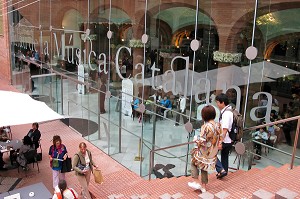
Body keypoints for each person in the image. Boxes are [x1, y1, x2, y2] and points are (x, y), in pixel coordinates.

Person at [188, 105, 223, 192]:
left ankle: (196, 182)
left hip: (204, 151)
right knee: (204, 167)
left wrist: (196, 139)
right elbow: (220, 137)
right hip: (213, 152)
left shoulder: (205, 126)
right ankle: (204, 187)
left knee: (193, 162)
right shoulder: (218, 125)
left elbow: (202, 140)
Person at [215, 93, 233, 179]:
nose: (217, 104)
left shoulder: (226, 114)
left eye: (218, 102)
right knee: (224, 156)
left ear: (222, 103)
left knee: (211, 154)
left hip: (225, 140)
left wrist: (220, 142)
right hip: (229, 140)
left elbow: (225, 129)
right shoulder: (229, 111)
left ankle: (221, 170)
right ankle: (224, 172)